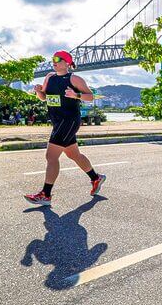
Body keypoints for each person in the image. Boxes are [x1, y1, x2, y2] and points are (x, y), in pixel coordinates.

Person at [25, 50, 106, 205]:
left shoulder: (74, 79)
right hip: (57, 121)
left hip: (69, 121)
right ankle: (96, 178)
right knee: (73, 154)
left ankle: (45, 194)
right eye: (53, 59)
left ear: (67, 62)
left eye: (57, 59)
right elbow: (44, 97)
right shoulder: (49, 77)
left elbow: (90, 96)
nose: (54, 61)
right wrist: (38, 91)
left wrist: (76, 95)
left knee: (51, 156)